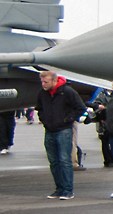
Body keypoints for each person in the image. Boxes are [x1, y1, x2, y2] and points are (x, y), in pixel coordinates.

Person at [35, 70, 85, 200]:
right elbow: (39, 108)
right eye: (42, 82)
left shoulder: (67, 92)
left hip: (63, 130)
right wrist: (44, 120)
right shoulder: (43, 93)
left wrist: (67, 119)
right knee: (53, 161)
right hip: (50, 129)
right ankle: (59, 188)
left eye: (46, 82)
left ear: (54, 81)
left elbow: (80, 107)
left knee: (64, 160)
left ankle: (68, 190)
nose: (43, 84)